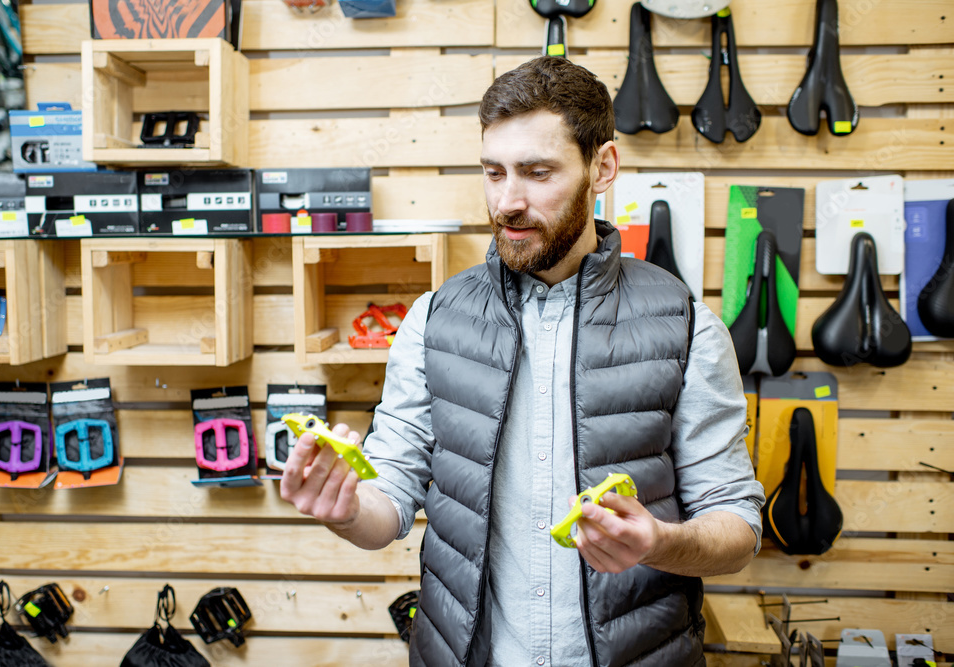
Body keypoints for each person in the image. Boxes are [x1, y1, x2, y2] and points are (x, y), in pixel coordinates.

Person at [280, 56, 765, 667]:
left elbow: (737, 530)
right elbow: (389, 500)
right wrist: (346, 509)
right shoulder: (432, 320)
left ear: (603, 167)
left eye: (538, 173)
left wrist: (658, 543)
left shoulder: (690, 328)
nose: (507, 201)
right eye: (493, 172)